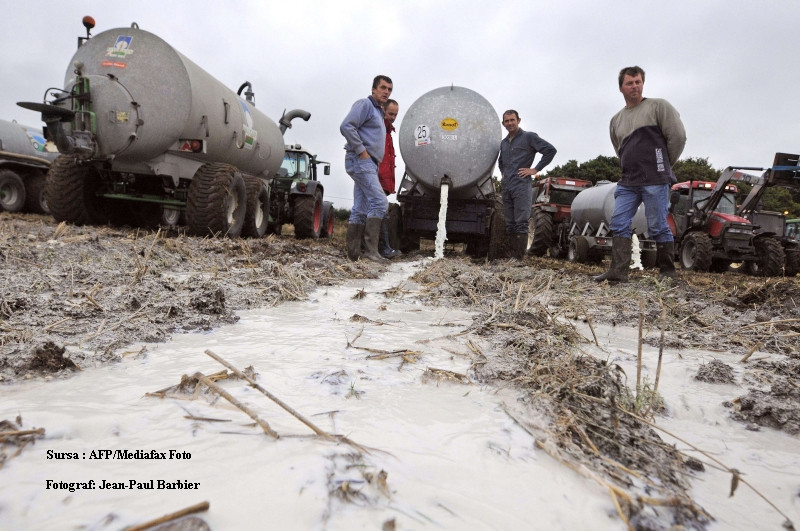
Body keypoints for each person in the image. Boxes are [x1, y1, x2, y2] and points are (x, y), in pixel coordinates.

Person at [594, 66, 686, 283]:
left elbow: (678, 137)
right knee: (618, 222)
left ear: (642, 83)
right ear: (621, 88)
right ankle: (618, 272)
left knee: (657, 224)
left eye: (638, 82)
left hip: (655, 179)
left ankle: (667, 273)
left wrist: (663, 164)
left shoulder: (658, 106)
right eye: (629, 83)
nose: (634, 86)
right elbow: (620, 149)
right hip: (628, 181)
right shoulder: (616, 120)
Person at [340, 75, 393, 263]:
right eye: (383, 87)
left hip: (369, 163)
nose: (386, 92)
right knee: (380, 202)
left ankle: (354, 254)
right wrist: (362, 152)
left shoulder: (378, 111)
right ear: (373, 89)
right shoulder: (365, 104)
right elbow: (346, 126)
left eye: (389, 89)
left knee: (360, 208)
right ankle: (371, 251)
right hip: (361, 160)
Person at [498, 110, 557, 259]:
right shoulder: (503, 143)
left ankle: (518, 258)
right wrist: (503, 172)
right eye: (507, 121)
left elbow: (550, 150)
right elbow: (501, 161)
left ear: (519, 120)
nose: (510, 123)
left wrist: (535, 169)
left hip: (521, 185)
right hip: (507, 186)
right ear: (503, 123)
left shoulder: (529, 137)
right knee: (510, 222)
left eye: (513, 120)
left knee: (521, 221)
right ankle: (511, 256)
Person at [378, 99, 402, 258]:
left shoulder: (388, 132)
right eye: (390, 113)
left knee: (377, 211)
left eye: (395, 114)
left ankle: (368, 247)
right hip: (376, 178)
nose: (393, 117)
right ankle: (383, 249)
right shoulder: (378, 130)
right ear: (383, 110)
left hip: (383, 180)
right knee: (380, 211)